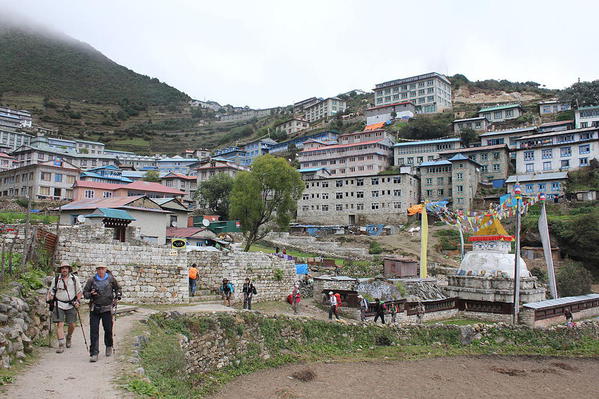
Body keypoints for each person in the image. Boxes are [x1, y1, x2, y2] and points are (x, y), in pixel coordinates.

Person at [83, 265, 122, 363]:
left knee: (108, 329)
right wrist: (91, 294)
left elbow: (118, 289)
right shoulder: (91, 280)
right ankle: (94, 353)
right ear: (96, 270)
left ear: (105, 269)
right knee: (94, 331)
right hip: (95, 309)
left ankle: (109, 345)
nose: (100, 270)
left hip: (107, 309)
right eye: (99, 269)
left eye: (102, 269)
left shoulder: (111, 279)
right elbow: (85, 293)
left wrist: (117, 296)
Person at [46, 263, 83, 353]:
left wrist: (78, 301)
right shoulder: (56, 280)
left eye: (66, 268)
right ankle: (61, 344)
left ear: (69, 269)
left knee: (72, 324)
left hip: (71, 304)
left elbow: (79, 291)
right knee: (60, 324)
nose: (64, 270)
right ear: (60, 270)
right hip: (59, 304)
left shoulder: (74, 279)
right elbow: (51, 292)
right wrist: (50, 297)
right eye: (63, 268)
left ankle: (69, 336)